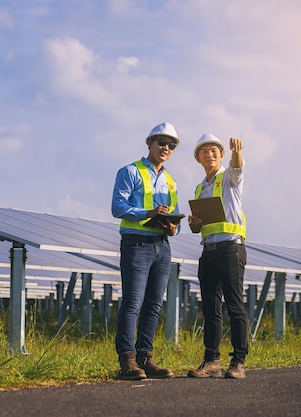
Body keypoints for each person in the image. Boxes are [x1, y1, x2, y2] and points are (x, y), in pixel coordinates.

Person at [111, 122, 182, 380]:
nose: (166, 148)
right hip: (136, 243)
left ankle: (145, 358)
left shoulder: (171, 181)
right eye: (162, 142)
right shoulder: (130, 171)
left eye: (171, 145)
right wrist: (147, 213)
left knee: (153, 304)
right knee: (133, 302)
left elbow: (173, 216)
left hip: (162, 246)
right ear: (149, 142)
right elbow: (117, 207)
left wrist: (174, 228)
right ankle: (127, 361)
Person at [187, 133, 249, 379]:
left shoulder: (229, 178)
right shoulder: (200, 187)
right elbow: (198, 228)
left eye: (214, 150)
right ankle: (212, 360)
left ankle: (238, 362)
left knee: (235, 306)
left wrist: (237, 152)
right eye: (204, 151)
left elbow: (237, 168)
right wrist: (194, 222)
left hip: (231, 249)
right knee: (211, 308)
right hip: (209, 251)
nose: (209, 154)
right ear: (197, 158)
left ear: (221, 155)